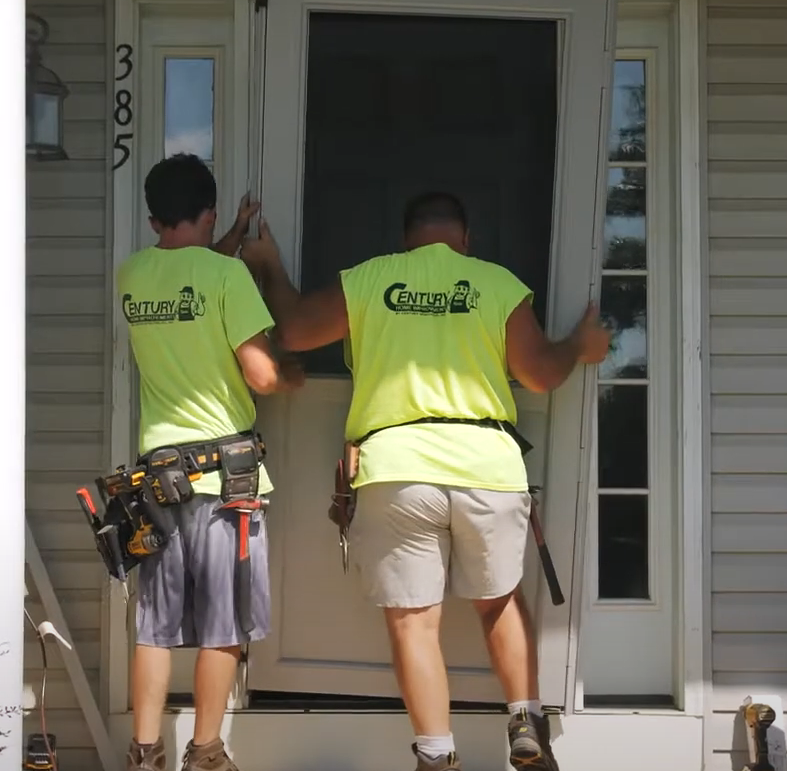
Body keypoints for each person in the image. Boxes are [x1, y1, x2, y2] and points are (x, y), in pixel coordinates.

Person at [238, 192, 609, 771]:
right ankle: (525, 720)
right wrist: (579, 347)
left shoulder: (373, 279)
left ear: (406, 240)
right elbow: (539, 375)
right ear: (466, 239)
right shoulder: (495, 283)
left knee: (414, 622)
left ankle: (436, 754)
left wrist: (269, 265)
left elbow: (294, 329)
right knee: (499, 601)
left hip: (398, 468)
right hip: (487, 466)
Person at [118, 153, 299, 771]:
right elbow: (262, 375)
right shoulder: (229, 280)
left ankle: (144, 754)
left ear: (152, 219)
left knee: (155, 622)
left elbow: (187, 270)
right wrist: (290, 376)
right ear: (211, 212)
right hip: (226, 479)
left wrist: (227, 237)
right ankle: (205, 751)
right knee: (223, 621)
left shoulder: (133, 275)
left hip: (156, 476)